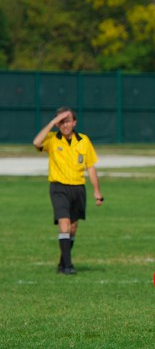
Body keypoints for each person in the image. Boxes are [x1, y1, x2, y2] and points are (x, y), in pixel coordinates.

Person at [32, 107, 103, 275]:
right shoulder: (52, 140)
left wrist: (97, 191)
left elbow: (91, 167)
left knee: (72, 228)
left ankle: (62, 262)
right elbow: (36, 142)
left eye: (67, 121)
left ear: (74, 122)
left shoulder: (84, 140)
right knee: (64, 224)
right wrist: (52, 123)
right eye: (61, 122)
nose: (64, 125)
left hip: (78, 188)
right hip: (59, 187)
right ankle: (68, 265)